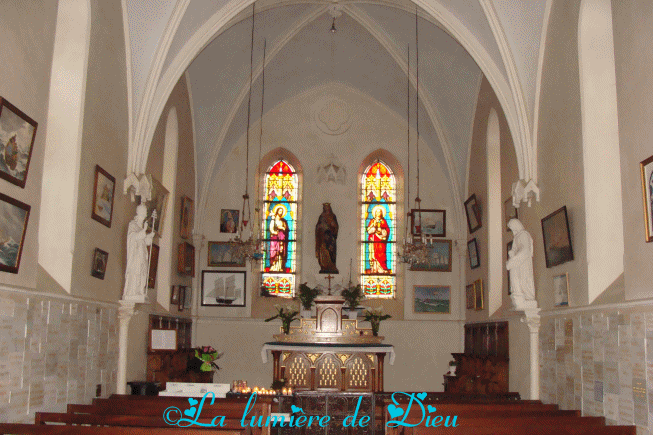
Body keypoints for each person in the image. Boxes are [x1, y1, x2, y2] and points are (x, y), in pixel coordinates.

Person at [123, 204, 155, 299]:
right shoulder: (132, 224)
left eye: (145, 212)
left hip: (142, 253)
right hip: (136, 254)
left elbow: (145, 242)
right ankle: (133, 291)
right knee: (136, 271)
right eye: (144, 212)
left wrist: (149, 236)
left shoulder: (141, 227)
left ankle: (140, 290)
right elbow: (133, 237)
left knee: (143, 271)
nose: (145, 214)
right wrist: (144, 230)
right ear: (139, 212)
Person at [506, 218, 537, 309]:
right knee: (515, 280)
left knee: (524, 279)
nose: (513, 230)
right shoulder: (516, 237)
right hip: (516, 263)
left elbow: (525, 250)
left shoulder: (524, 234)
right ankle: (518, 295)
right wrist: (512, 253)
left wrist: (515, 258)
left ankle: (527, 297)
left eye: (513, 228)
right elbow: (514, 249)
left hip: (523, 263)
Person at [315, 203, 339, 274]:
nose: (326, 209)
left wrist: (333, 225)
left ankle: (332, 266)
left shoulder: (333, 216)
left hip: (331, 239)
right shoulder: (321, 217)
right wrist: (321, 227)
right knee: (323, 252)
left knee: (331, 252)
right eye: (325, 207)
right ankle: (324, 267)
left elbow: (336, 227)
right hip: (323, 239)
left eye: (327, 207)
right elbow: (317, 228)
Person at [367, 206, 390, 273]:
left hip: (381, 241)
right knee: (374, 254)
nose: (378, 213)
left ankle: (382, 269)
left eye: (379, 211)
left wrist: (382, 231)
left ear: (382, 213)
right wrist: (374, 229)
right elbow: (369, 231)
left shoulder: (383, 221)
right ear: (375, 213)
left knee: (381, 254)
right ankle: (374, 269)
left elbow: (387, 231)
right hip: (374, 240)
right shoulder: (372, 221)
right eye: (377, 211)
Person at [269, 205, 289, 272]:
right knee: (274, 253)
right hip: (275, 239)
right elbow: (271, 229)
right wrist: (275, 232)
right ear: (277, 211)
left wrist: (282, 229)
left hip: (281, 239)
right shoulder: (273, 219)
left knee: (280, 253)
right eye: (280, 211)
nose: (280, 212)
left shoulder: (283, 221)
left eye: (282, 211)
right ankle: (273, 266)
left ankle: (281, 267)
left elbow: (286, 229)